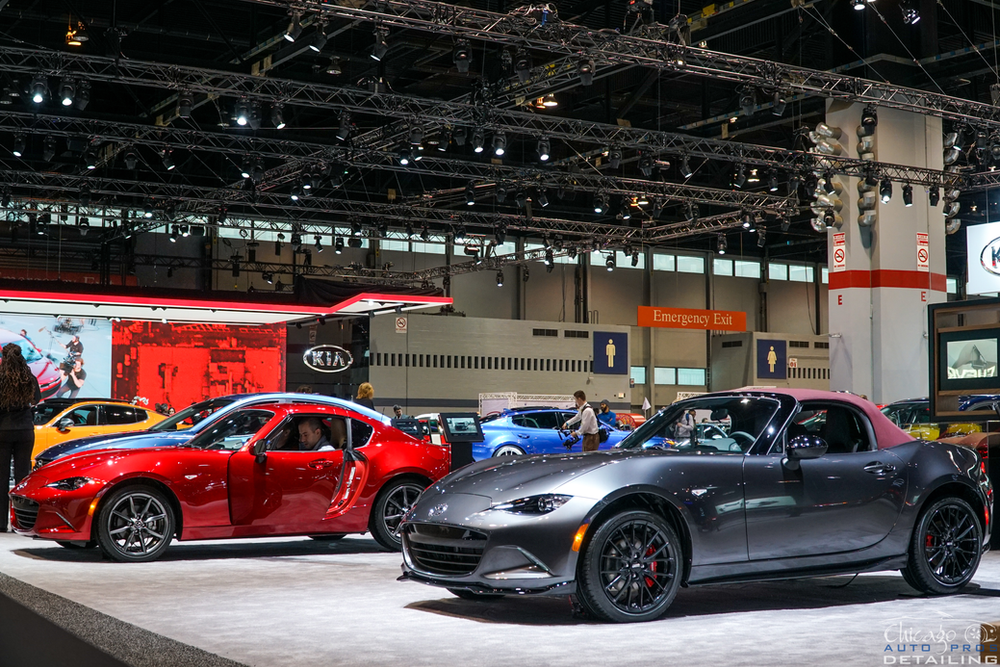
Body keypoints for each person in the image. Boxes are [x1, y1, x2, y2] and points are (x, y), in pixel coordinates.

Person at [0, 343, 42, 532]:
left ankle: (1, 524)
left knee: (1, 479)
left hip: (2, 431)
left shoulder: (0, 378)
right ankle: (22, 523)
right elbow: (36, 400)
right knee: (22, 478)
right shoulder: (29, 378)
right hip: (25, 430)